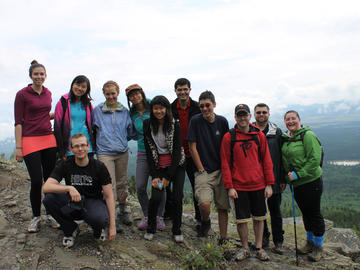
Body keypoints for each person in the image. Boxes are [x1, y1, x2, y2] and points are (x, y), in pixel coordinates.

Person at [221, 104, 274, 261]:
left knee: (260, 217)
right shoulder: (229, 137)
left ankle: (258, 247)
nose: (242, 118)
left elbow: (266, 160)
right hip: (239, 186)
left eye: (245, 115)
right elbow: (225, 163)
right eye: (239, 115)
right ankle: (245, 248)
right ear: (235, 117)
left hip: (258, 184)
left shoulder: (259, 135)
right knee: (241, 219)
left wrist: (269, 184)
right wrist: (229, 187)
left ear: (250, 116)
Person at [43, 133, 116, 248]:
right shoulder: (66, 165)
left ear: (88, 147)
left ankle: (98, 229)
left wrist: (112, 226)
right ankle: (70, 229)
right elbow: (46, 187)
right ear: (71, 149)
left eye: (83, 145)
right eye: (76, 146)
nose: (80, 149)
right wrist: (69, 188)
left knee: (99, 219)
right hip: (73, 202)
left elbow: (109, 195)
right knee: (49, 199)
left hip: (93, 202)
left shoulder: (99, 167)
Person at [14, 60, 58, 232]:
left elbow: (44, 114)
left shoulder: (48, 93)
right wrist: (19, 147)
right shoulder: (22, 94)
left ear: (45, 76)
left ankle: (50, 214)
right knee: (37, 180)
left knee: (50, 179)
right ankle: (36, 217)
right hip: (29, 139)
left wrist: (60, 114)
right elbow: (18, 122)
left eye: (42, 74)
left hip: (48, 137)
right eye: (36, 74)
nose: (39, 77)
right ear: (31, 76)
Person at [92, 81, 136, 232]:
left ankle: (123, 209)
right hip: (104, 152)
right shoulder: (97, 110)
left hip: (122, 151)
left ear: (117, 93)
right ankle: (112, 216)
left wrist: (120, 140)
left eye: (113, 93)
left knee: (122, 182)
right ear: (104, 94)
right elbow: (93, 128)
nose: (111, 96)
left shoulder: (124, 111)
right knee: (109, 185)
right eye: (107, 94)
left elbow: (130, 131)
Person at [281, 110, 325, 262]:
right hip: (297, 184)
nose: (291, 121)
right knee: (305, 213)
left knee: (314, 213)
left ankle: (318, 248)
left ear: (299, 120)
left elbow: (314, 159)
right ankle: (309, 243)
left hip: (311, 181)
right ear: (285, 122)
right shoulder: (287, 138)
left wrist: (299, 174)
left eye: (293, 118)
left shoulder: (308, 136)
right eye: (287, 119)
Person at [187, 90, 230, 242]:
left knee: (222, 206)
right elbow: (192, 146)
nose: (205, 109)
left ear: (214, 105)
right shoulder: (195, 121)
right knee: (204, 203)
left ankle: (223, 237)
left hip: (221, 169)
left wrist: (227, 169)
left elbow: (227, 146)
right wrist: (200, 169)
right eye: (202, 106)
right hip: (203, 169)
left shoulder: (222, 121)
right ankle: (206, 222)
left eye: (207, 105)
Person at [143, 96, 185, 243]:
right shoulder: (147, 124)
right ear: (152, 109)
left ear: (167, 109)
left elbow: (177, 151)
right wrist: (155, 175)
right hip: (159, 167)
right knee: (156, 197)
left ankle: (177, 230)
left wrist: (168, 176)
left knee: (178, 198)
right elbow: (149, 151)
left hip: (176, 167)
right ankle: (151, 227)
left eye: (162, 108)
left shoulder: (174, 124)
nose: (159, 111)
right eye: (156, 108)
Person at [126, 84, 167, 231]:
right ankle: (147, 215)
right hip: (143, 152)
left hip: (160, 152)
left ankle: (159, 216)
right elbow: (131, 131)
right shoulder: (132, 113)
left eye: (137, 93)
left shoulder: (153, 105)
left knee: (160, 185)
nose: (135, 97)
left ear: (142, 93)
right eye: (131, 95)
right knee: (140, 186)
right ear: (129, 99)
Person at [253, 103, 285, 254]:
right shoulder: (250, 131)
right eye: (258, 112)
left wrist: (282, 179)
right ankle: (264, 237)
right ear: (254, 114)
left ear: (269, 114)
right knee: (260, 211)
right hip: (256, 179)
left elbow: (282, 156)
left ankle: (278, 241)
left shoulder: (276, 132)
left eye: (264, 112)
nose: (261, 114)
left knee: (275, 211)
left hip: (274, 179)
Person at [170, 78, 201, 229]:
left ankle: (200, 218)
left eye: (185, 89)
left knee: (198, 187)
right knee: (177, 189)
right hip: (177, 156)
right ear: (175, 91)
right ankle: (173, 217)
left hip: (195, 154)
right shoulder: (170, 109)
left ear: (189, 90)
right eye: (179, 89)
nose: (182, 92)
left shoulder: (197, 107)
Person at [54, 75, 94, 160]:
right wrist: (61, 150)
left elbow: (93, 124)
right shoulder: (63, 103)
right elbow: (57, 128)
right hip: (70, 148)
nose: (80, 88)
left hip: (87, 147)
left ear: (87, 90)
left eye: (83, 87)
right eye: (78, 85)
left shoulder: (88, 104)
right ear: (72, 85)